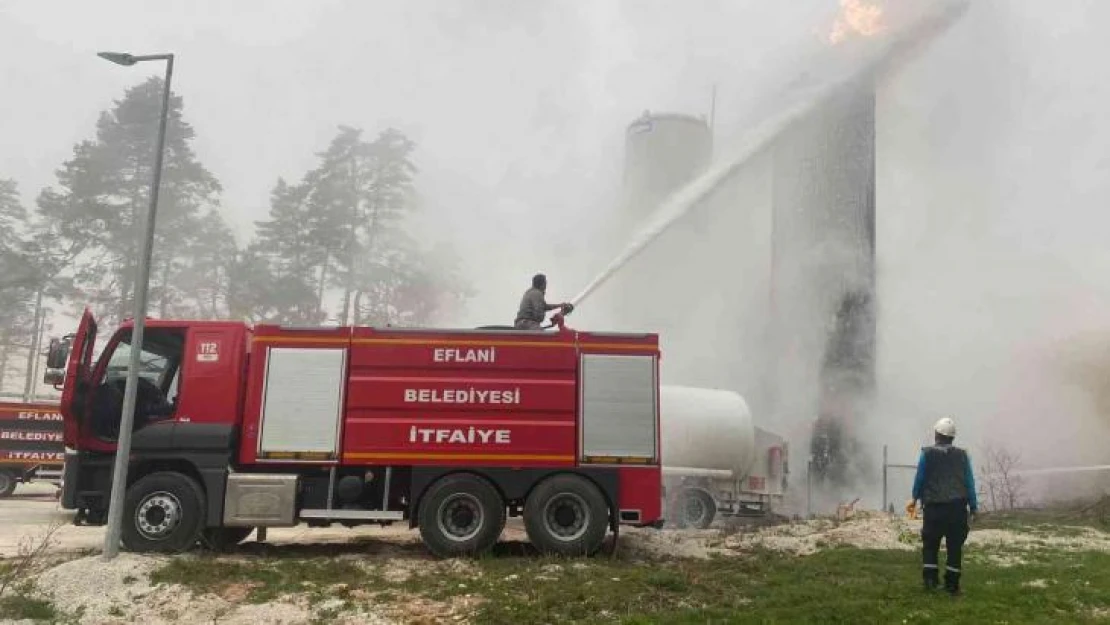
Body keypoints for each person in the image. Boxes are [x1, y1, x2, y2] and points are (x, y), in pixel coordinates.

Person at [911, 417, 978, 596]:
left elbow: (920, 478)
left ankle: (930, 581)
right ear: (952, 438)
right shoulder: (963, 456)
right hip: (957, 508)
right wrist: (973, 506)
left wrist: (914, 498)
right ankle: (952, 585)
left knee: (930, 544)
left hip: (934, 507)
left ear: (937, 435)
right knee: (955, 546)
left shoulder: (927, 454)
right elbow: (969, 481)